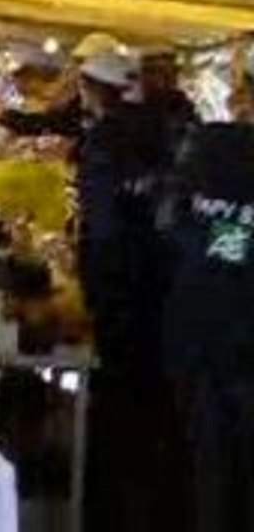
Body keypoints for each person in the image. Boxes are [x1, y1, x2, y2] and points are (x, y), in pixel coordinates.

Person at [73, 50, 180, 532]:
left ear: (93, 88)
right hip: (157, 278)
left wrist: (90, 283)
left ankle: (112, 491)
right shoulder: (159, 127)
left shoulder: (102, 138)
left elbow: (104, 224)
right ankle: (147, 466)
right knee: (143, 380)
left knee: (114, 380)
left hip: (117, 277)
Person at [161, 50, 254, 531]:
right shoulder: (213, 147)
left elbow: (176, 226)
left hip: (205, 334)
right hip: (216, 336)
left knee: (214, 471)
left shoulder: (209, 148)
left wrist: (224, 242)